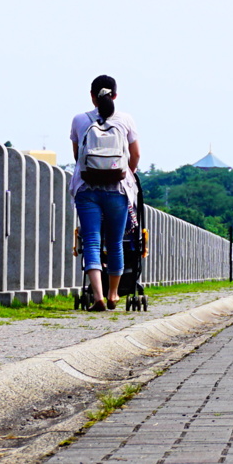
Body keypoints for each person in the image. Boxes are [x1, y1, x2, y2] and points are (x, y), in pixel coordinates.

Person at [69, 75, 140, 312]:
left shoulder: (80, 120)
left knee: (91, 241)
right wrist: (125, 174)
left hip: (87, 189)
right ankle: (113, 295)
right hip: (118, 190)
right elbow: (135, 154)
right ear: (115, 96)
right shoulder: (126, 120)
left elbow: (77, 156)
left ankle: (97, 295)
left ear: (92, 96)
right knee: (115, 242)